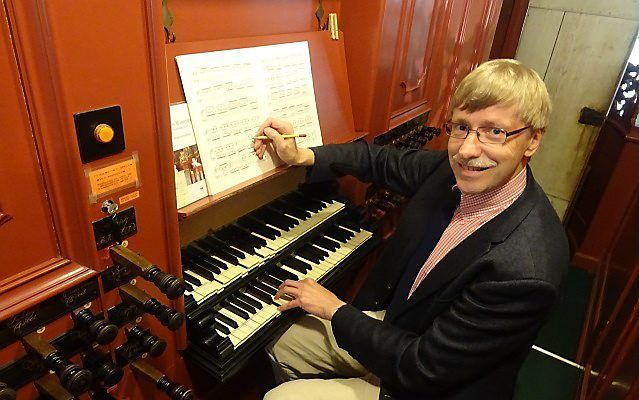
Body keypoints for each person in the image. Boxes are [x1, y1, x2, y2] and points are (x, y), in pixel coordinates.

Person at [253, 59, 568, 400]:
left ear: (533, 140)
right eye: (461, 127)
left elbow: (422, 369)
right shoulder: (451, 172)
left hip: (427, 384)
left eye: (495, 132)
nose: (466, 150)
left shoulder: (525, 271)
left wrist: (334, 309)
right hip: (398, 325)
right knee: (282, 345)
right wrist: (302, 155)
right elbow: (380, 161)